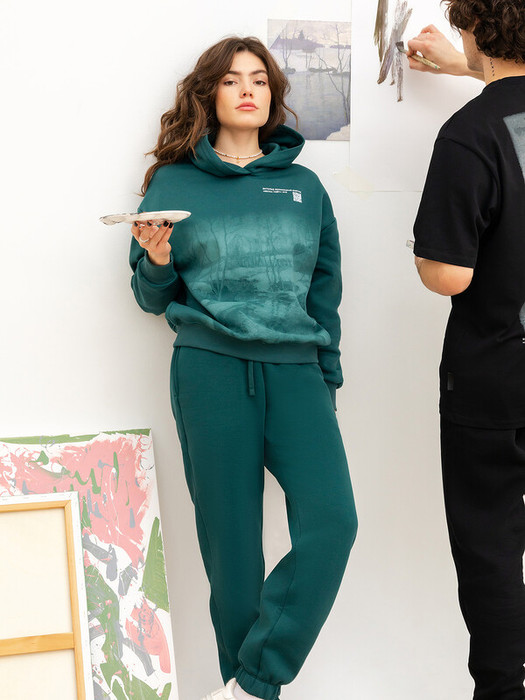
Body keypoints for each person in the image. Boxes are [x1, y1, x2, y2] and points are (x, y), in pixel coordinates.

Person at [129, 36, 357, 700]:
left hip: (297, 374)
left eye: (258, 78)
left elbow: (325, 292)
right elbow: (150, 298)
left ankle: (254, 682)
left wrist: (326, 379)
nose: (248, 89)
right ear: (210, 94)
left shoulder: (304, 187)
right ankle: (247, 690)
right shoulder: (172, 184)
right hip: (210, 371)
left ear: (273, 94)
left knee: (333, 523)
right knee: (232, 556)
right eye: (231, 80)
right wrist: (159, 259)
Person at [411, 2, 525, 698]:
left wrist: (424, 252)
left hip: (494, 383)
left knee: (492, 551)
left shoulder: (469, 133)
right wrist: (471, 68)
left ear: (476, 29)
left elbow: (448, 273)